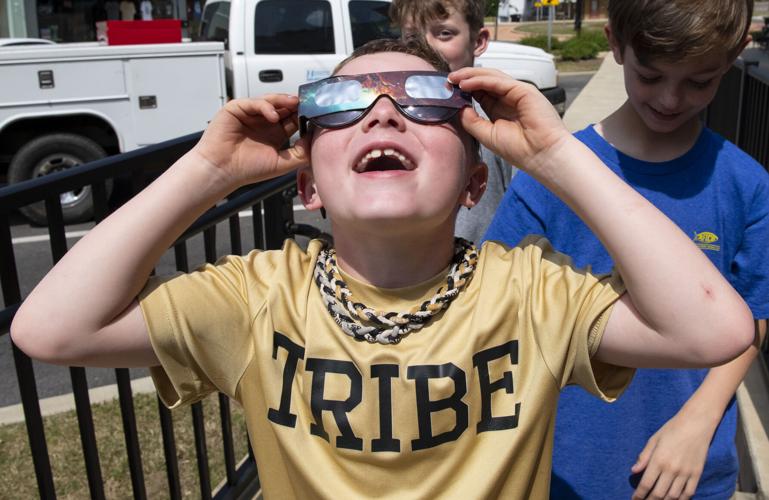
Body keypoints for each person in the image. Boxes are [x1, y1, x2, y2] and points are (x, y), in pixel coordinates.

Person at [10, 38, 755, 499]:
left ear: (473, 185)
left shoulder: (530, 291)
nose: (383, 114)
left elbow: (712, 330)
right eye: (341, 104)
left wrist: (557, 157)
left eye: (425, 100)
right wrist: (207, 172)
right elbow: (51, 329)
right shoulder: (256, 297)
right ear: (307, 184)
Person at [483, 1, 769, 499]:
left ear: (734, 55)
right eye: (650, 75)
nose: (670, 99)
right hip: (564, 464)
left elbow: (754, 316)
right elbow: (492, 304)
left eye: (699, 82)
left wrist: (699, 420)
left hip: (689, 467)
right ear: (616, 43)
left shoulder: (746, 184)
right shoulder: (548, 177)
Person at [390, 0, 513, 244]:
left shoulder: (498, 118)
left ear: (478, 41)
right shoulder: (388, 116)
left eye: (444, 33)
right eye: (412, 36)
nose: (425, 46)